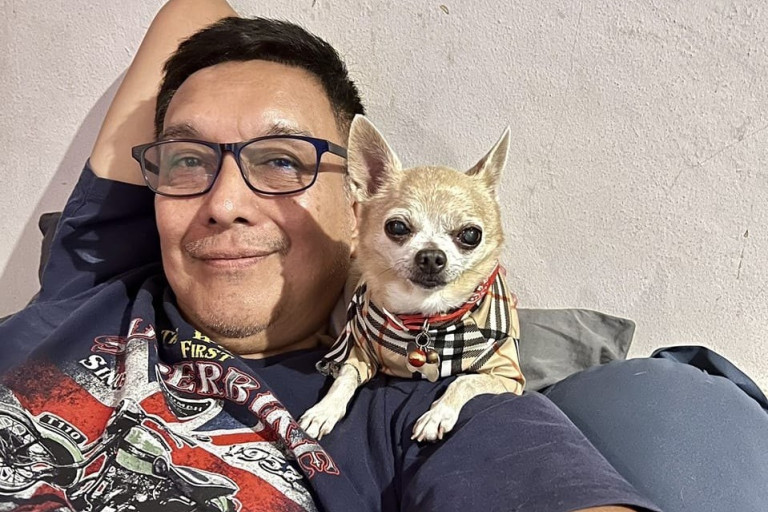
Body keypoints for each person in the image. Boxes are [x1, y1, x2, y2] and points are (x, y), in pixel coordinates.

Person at [0, 1, 765, 511]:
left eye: (282, 160)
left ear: (353, 200)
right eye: (189, 159)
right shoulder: (92, 276)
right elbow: (193, 11)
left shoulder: (415, 404)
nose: (224, 202)